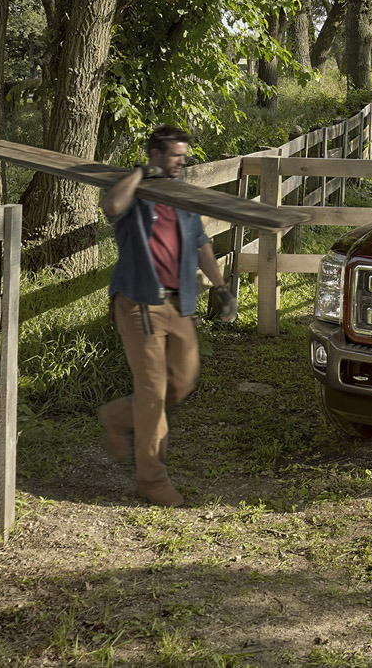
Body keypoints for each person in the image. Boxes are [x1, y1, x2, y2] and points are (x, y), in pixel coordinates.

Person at [97, 125, 237, 507]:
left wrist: (220, 287)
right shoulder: (135, 195)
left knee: (182, 383)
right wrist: (140, 173)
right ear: (155, 154)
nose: (181, 162)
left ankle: (117, 416)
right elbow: (112, 207)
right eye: (175, 155)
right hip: (140, 303)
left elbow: (201, 243)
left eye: (183, 156)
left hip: (180, 304)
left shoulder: (181, 196)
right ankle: (153, 481)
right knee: (153, 394)